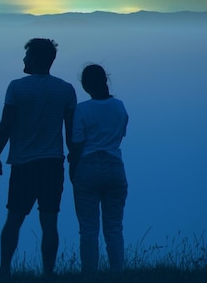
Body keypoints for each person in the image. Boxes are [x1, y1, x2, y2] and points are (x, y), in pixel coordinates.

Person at [0, 38, 76, 277]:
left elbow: (5, 125)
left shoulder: (16, 87)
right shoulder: (66, 89)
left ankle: (4, 270)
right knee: (49, 222)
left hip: (23, 165)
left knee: (14, 219)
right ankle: (48, 273)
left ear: (36, 59)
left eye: (27, 56)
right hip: (52, 164)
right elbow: (71, 133)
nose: (24, 60)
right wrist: (74, 162)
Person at [69, 64, 129, 274]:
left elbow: (77, 144)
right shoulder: (120, 106)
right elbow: (120, 134)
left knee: (88, 228)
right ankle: (117, 273)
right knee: (114, 227)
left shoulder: (82, 110)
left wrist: (72, 169)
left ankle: (89, 273)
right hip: (114, 166)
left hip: (87, 165)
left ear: (85, 85)